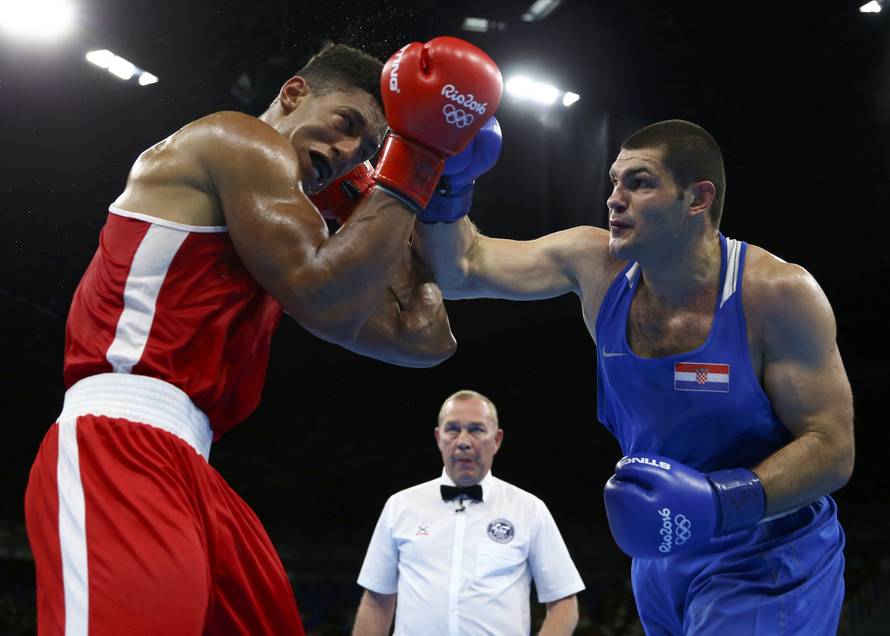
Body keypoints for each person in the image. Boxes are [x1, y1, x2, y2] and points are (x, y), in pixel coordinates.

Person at [24, 38, 504, 635]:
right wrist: (414, 161)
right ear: (294, 92)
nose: (349, 151)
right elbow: (325, 298)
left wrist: (389, 202)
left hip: (191, 464)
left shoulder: (287, 238)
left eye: (370, 148)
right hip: (118, 440)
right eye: (346, 123)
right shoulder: (235, 138)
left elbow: (429, 339)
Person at [412, 119, 854, 634]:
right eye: (614, 183)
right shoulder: (596, 267)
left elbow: (832, 446)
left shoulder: (775, 292)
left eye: (639, 183)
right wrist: (444, 181)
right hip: (660, 554)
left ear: (697, 198)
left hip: (768, 554)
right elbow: (458, 270)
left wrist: (721, 502)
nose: (614, 200)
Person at [353, 390, 584, 636]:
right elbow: (376, 599)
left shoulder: (529, 509)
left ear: (496, 440)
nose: (463, 441)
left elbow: (563, 602)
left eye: (476, 429)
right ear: (438, 437)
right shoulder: (400, 506)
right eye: (453, 429)